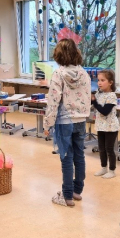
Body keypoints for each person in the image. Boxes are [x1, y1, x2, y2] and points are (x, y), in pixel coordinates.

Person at [44, 38, 91, 207]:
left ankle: (67, 196)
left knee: (66, 157)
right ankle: (77, 191)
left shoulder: (58, 74)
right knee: (79, 155)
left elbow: (53, 101)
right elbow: (87, 97)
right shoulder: (84, 73)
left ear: (59, 55)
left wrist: (47, 123)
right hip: (80, 120)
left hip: (64, 121)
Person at [91, 69, 120, 179]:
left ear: (110, 82)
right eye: (98, 80)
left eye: (102, 80)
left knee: (109, 148)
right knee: (101, 148)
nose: (99, 83)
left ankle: (112, 170)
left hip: (111, 126)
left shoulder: (112, 96)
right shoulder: (99, 93)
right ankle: (104, 168)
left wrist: (94, 102)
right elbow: (94, 104)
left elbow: (104, 111)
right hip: (100, 125)